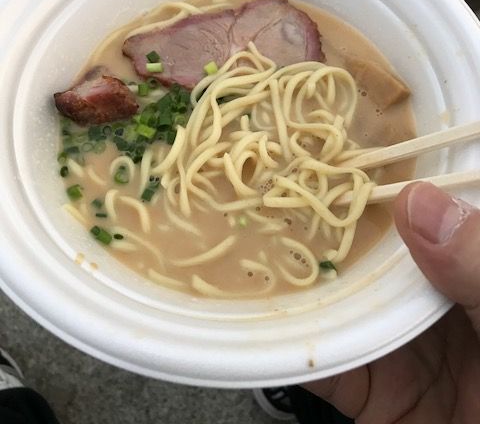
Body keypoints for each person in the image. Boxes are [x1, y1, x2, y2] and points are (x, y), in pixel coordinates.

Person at [1, 182, 479, 422]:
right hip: (416, 387)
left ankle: (292, 389)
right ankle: (294, 389)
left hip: (408, 370)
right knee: (314, 372)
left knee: (320, 370)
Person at [254, 182, 480, 423]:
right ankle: (294, 388)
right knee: (306, 362)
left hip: (401, 382)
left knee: (318, 386)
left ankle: (294, 390)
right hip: (427, 378)